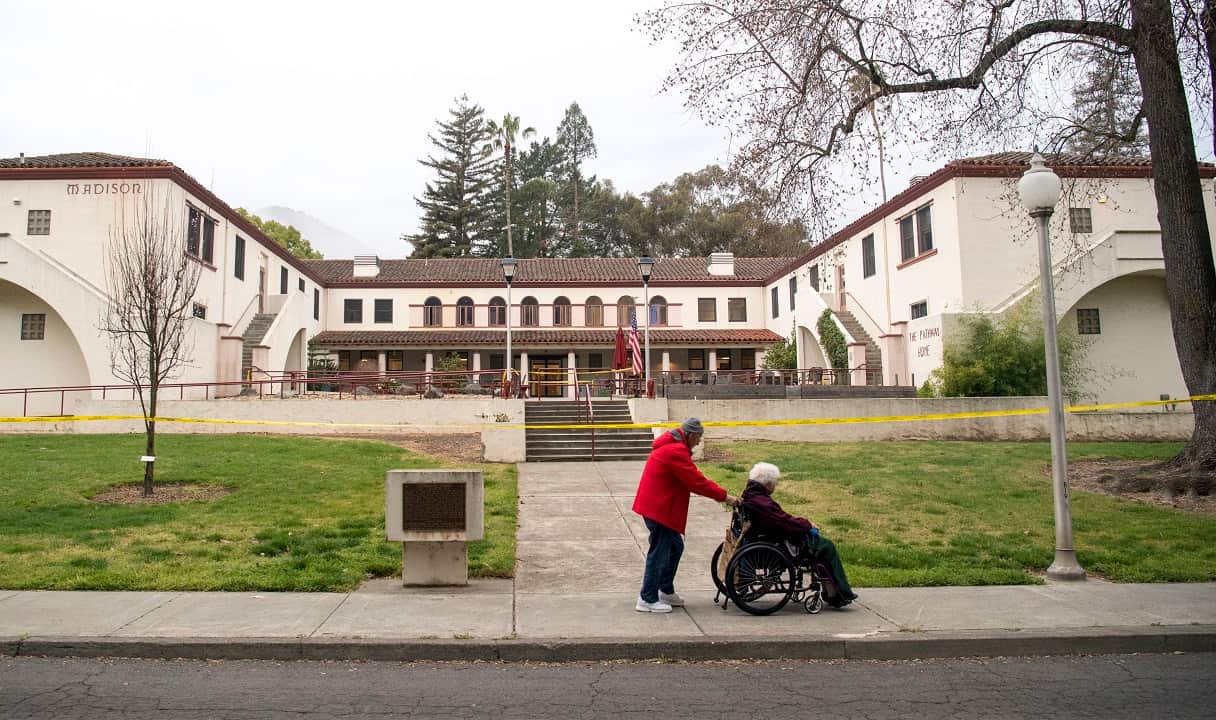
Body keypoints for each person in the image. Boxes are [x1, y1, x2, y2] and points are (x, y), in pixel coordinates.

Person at [632, 417, 740, 613]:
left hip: (658, 506)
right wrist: (726, 497)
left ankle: (665, 589)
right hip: (659, 509)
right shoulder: (676, 451)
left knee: (675, 546)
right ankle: (647, 598)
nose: (699, 442)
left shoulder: (673, 447)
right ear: (689, 435)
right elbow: (697, 482)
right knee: (660, 551)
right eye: (698, 438)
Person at [740, 462, 858, 607]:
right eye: (775, 484)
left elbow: (781, 519)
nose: (775, 487)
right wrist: (807, 524)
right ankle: (839, 594)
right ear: (768, 483)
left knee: (822, 545)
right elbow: (784, 522)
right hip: (780, 543)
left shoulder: (751, 496)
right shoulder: (762, 502)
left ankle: (833, 591)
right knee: (826, 546)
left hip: (768, 538)